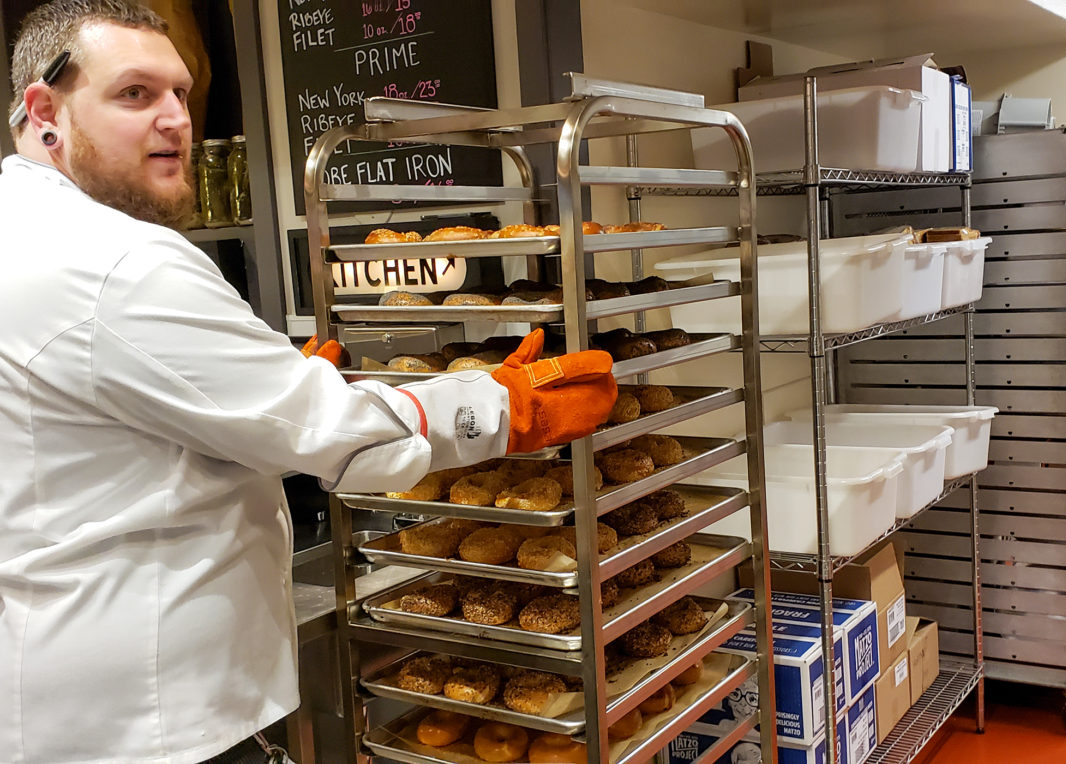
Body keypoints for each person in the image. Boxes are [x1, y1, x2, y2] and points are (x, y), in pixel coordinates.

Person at [0, 2, 616, 763]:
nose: (175, 120)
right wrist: (502, 407)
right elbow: (337, 438)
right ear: (44, 110)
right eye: (134, 94)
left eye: (181, 94)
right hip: (152, 718)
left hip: (58, 694)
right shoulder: (117, 262)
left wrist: (262, 394)